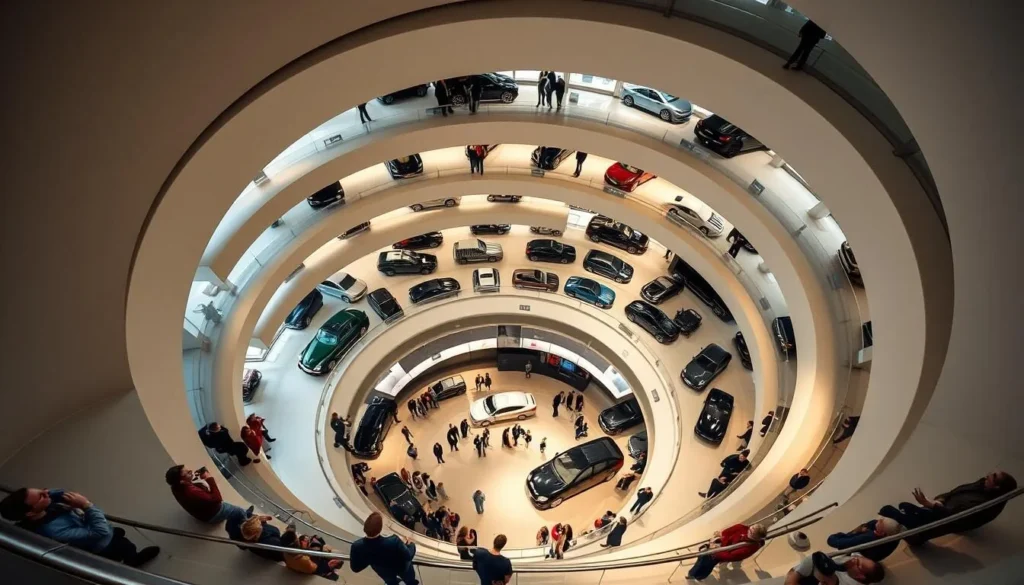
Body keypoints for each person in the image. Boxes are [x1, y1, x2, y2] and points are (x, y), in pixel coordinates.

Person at [1, 487, 160, 567]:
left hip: (89, 530)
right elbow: (99, 531)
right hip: (102, 544)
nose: (47, 493)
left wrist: (43, 493)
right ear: (29, 513)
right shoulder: (53, 530)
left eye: (42, 490)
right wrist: (86, 505)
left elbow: (61, 492)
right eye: (42, 495)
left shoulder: (44, 507)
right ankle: (133, 560)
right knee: (125, 545)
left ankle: (119, 540)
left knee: (117, 534)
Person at [878, 471, 1017, 529]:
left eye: (992, 477)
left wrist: (931, 505)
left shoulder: (983, 505)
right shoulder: (982, 485)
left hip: (946, 518)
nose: (987, 475)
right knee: (906, 506)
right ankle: (910, 516)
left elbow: (955, 517)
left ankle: (903, 523)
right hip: (943, 507)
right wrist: (940, 500)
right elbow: (956, 491)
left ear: (997, 487)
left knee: (901, 513)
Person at [350, 512, 419, 585]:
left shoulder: (356, 546)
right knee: (409, 579)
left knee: (391, 581)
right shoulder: (394, 541)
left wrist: (369, 559)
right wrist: (411, 544)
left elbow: (355, 568)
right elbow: (408, 556)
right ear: (380, 529)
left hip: (383, 571)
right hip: (402, 568)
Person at [166, 464, 245, 523]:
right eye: (187, 473)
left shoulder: (175, 487)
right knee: (239, 510)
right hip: (213, 514)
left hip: (201, 515)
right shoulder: (192, 492)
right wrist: (209, 478)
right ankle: (247, 517)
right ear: (182, 481)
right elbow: (217, 499)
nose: (190, 471)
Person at [686, 523, 767, 580]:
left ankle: (696, 575)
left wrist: (714, 550)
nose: (749, 529)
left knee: (706, 563)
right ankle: (694, 574)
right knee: (702, 557)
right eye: (751, 527)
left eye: (751, 532)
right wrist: (720, 539)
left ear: (756, 537)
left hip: (719, 553)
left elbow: (731, 556)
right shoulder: (741, 528)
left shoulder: (749, 548)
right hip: (719, 548)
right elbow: (726, 532)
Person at [826, 517, 904, 562]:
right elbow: (872, 523)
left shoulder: (867, 538)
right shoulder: (894, 537)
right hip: (873, 557)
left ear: (882, 533)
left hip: (857, 556)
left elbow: (832, 541)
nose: (879, 519)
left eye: (881, 522)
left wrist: (851, 533)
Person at [784, 551, 885, 585]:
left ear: (860, 576)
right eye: (858, 557)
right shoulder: (848, 563)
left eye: (857, 561)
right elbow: (792, 573)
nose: (853, 558)